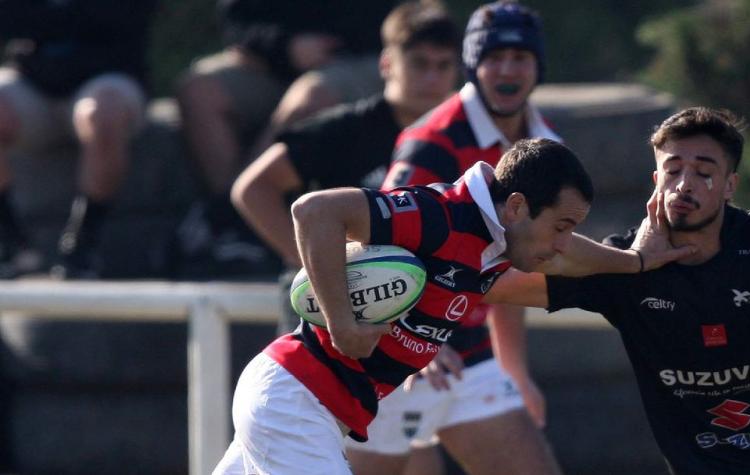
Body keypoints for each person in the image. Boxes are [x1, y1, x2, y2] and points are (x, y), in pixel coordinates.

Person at [214, 138, 689, 474]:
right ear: (518, 207)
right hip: (296, 398)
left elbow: (572, 257)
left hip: (300, 401)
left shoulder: (492, 242)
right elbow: (314, 211)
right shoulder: (440, 215)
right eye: (561, 225)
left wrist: (636, 261)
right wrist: (342, 323)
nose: (563, 242)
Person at [485, 108, 750, 475]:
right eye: (672, 171)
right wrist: (634, 261)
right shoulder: (618, 264)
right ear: (656, 179)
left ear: (730, 186)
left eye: (703, 172)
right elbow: (494, 283)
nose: (684, 184)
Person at [353, 2, 558, 473]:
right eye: (493, 58)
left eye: (520, 58)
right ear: (472, 64)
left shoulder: (547, 148)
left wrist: (515, 371)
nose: (507, 71)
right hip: (398, 349)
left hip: (467, 349)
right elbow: (378, 247)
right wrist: (413, 335)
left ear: (538, 66)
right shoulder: (434, 140)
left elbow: (510, 265)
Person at [230, 0, 460, 272]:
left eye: (443, 66)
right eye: (419, 64)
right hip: (332, 295)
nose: (432, 78)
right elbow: (253, 189)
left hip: (428, 290)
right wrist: (315, 266)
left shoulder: (466, 137)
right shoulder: (343, 130)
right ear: (387, 64)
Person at [175, 0, 393, 276]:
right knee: (199, 90)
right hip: (274, 59)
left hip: (354, 56)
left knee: (307, 99)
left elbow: (386, 20)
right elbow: (237, 20)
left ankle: (228, 222)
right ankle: (233, 228)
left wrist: (324, 44)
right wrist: (285, 47)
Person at [0, 0, 157, 279]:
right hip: (34, 79)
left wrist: (50, 17)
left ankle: (82, 246)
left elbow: (119, 20)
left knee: (103, 114)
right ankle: (11, 242)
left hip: (109, 77)